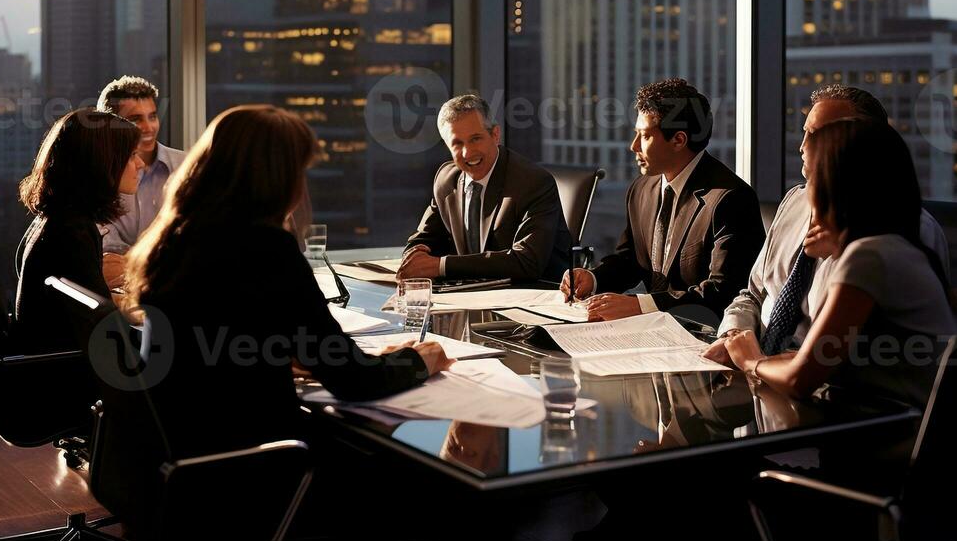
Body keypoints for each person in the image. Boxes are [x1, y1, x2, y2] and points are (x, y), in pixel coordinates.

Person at [127, 104, 451, 458]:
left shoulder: (174, 238)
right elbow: (354, 380)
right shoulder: (266, 248)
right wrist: (419, 360)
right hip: (251, 458)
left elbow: (221, 334)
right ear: (277, 178)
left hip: (177, 448)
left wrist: (278, 354)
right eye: (300, 171)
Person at [705, 85, 950, 366]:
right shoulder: (795, 201)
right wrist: (734, 336)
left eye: (820, 136)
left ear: (859, 145)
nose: (803, 146)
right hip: (760, 365)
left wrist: (760, 362)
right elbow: (753, 293)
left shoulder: (905, 231)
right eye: (805, 132)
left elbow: (872, 349)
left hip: (825, 381)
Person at [560, 79, 764, 322]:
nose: (633, 146)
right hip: (652, 332)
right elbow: (631, 260)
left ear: (678, 140)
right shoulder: (642, 188)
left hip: (700, 335)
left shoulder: (730, 199)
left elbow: (723, 293)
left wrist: (642, 306)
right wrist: (593, 279)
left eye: (644, 136)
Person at [399, 94, 571, 282]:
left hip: (532, 298)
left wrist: (441, 266)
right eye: (457, 143)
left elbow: (526, 262)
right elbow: (424, 239)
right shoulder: (446, 180)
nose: (468, 152)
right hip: (470, 297)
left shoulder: (533, 183)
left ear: (495, 134)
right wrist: (414, 256)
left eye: (475, 139)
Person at [14, 110, 144, 354]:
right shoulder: (73, 233)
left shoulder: (57, 220)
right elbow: (105, 330)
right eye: (133, 155)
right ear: (104, 161)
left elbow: (94, 306)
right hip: (68, 374)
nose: (141, 163)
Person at [96, 76, 185, 289]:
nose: (148, 127)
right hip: (117, 297)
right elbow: (106, 253)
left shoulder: (187, 166)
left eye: (152, 116)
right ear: (111, 124)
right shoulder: (98, 175)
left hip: (175, 289)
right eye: (136, 119)